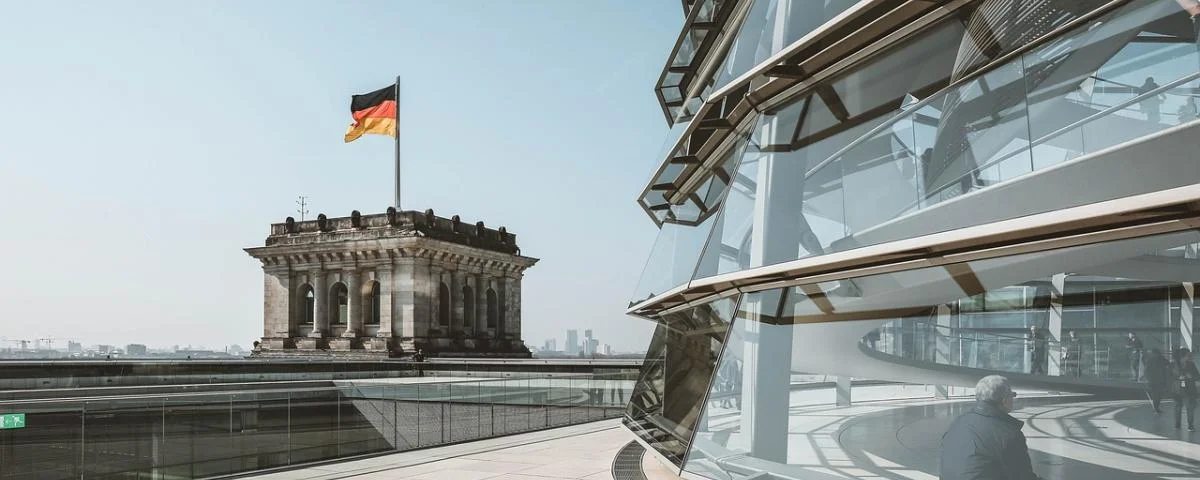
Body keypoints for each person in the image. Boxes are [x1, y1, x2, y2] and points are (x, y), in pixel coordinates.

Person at [940, 375, 1041, 480]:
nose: (1013, 399)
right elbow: (1023, 477)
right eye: (1012, 395)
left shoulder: (958, 422)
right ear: (1004, 400)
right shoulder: (1008, 434)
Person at [1171, 347, 1199, 430]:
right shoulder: (1173, 364)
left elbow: (1197, 376)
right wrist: (1178, 378)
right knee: (1178, 407)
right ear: (1183, 356)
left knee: (1189, 407)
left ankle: (1190, 425)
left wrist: (1191, 376)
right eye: (1188, 355)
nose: (1189, 357)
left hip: (1188, 389)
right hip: (1177, 389)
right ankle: (1177, 424)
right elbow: (1169, 376)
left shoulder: (1191, 364)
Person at [1145, 348, 1169, 413]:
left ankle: (1156, 406)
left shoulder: (1150, 360)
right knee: (1159, 394)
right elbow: (1167, 364)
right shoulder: (1161, 359)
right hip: (1160, 380)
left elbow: (1147, 370)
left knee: (1155, 394)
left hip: (1153, 380)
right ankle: (1156, 406)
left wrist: (1147, 379)